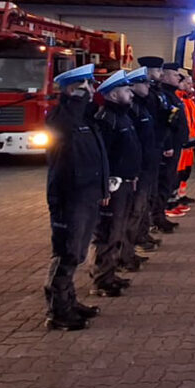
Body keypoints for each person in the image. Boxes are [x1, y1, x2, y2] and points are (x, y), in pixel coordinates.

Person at [44, 63, 109, 331]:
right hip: (69, 196)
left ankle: (70, 301)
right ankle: (58, 310)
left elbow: (99, 157)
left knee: (78, 252)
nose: (92, 90)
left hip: (87, 194)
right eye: (86, 86)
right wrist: (75, 101)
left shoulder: (85, 119)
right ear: (73, 90)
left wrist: (102, 189)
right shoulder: (61, 118)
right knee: (66, 253)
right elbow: (63, 129)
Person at [89, 70, 141, 298]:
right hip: (113, 185)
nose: (131, 93)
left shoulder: (122, 116)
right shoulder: (106, 119)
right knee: (107, 232)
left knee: (117, 230)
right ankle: (101, 280)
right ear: (112, 94)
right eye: (126, 90)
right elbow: (103, 156)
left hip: (126, 182)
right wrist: (106, 186)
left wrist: (133, 175)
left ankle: (110, 273)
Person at [121, 67, 159, 269]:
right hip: (137, 170)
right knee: (132, 213)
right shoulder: (131, 110)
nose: (148, 87)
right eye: (143, 83)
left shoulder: (141, 107)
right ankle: (124, 255)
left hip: (146, 166)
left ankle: (129, 252)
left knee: (140, 209)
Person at [136, 56, 178, 233]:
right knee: (148, 191)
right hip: (152, 147)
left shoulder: (158, 92)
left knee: (156, 188)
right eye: (158, 70)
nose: (160, 73)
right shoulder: (149, 96)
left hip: (158, 145)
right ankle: (147, 227)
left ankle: (152, 222)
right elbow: (155, 123)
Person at [158, 62, 189, 221]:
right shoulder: (164, 96)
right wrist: (168, 144)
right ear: (164, 76)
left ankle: (162, 213)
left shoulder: (172, 95)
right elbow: (165, 124)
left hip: (175, 144)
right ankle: (159, 215)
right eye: (175, 74)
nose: (178, 77)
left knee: (170, 178)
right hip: (168, 146)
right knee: (164, 180)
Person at [175, 71, 195, 208]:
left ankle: (182, 194)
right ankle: (175, 198)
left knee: (185, 171)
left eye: (191, 83)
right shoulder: (178, 100)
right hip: (182, 143)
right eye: (188, 83)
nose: (191, 86)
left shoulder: (188, 100)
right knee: (178, 171)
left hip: (189, 143)